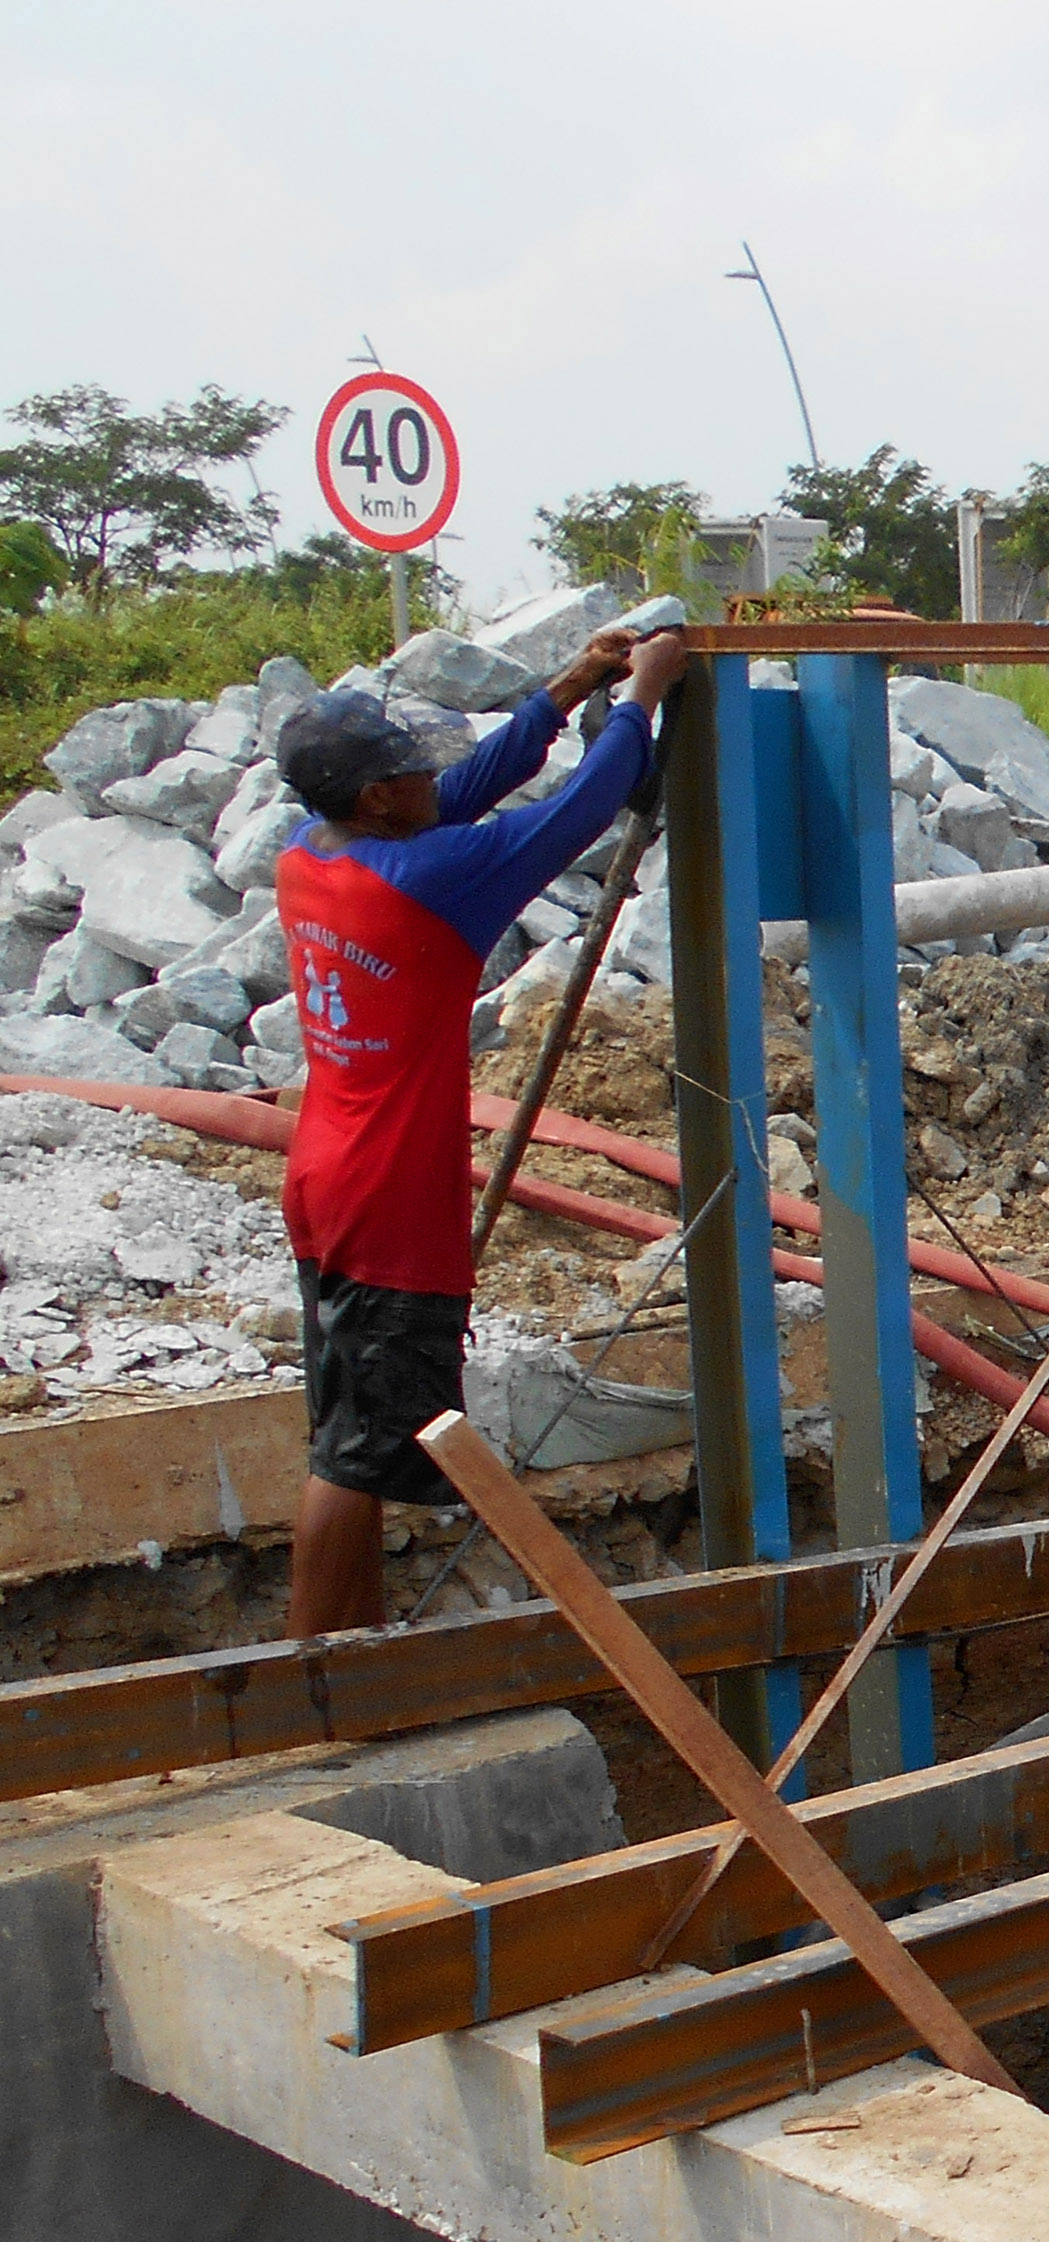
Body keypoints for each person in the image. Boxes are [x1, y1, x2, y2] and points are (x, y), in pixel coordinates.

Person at [273, 624, 688, 1634]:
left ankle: (355, 1654)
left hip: (325, 1177)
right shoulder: (432, 879)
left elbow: (461, 791)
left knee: (352, 1429)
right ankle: (314, 1677)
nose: (434, 777)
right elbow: (582, 808)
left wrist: (568, 688)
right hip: (390, 1200)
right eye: (411, 768)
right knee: (354, 1456)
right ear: (380, 798)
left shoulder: (312, 855)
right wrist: (640, 699)